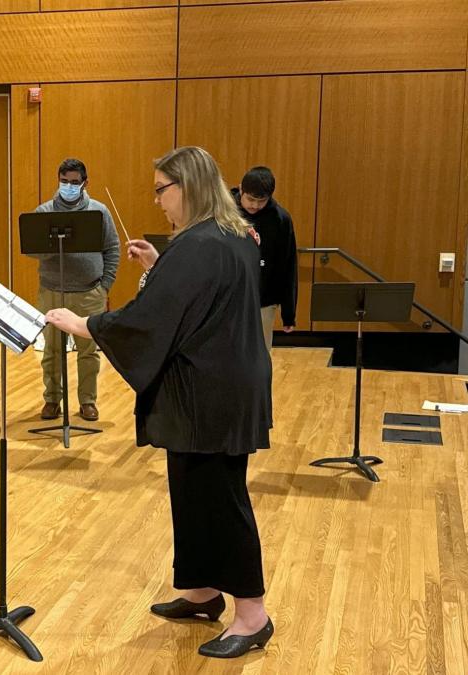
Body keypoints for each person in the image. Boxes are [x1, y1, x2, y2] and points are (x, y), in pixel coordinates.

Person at [46, 146, 274, 659]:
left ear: (187, 186)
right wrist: (159, 262)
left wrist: (86, 325)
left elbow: (155, 315)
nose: (157, 200)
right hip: (219, 381)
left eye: (160, 189)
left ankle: (253, 614)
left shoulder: (200, 244)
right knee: (191, 489)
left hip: (212, 390)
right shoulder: (228, 234)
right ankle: (202, 590)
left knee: (220, 498)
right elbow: (195, 294)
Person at [31, 158, 119, 422]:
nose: (69, 186)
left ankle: (88, 401)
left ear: (85, 183)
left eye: (74, 182)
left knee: (88, 350)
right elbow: (32, 251)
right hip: (52, 290)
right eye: (64, 181)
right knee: (52, 351)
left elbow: (112, 248)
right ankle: (52, 400)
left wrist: (105, 286)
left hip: (89, 291)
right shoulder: (44, 212)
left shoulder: (99, 211)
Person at [231, 166, 297, 351]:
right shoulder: (224, 212)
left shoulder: (280, 219)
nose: (254, 205)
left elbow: (288, 265)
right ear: (240, 189)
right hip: (228, 298)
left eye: (261, 201)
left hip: (264, 299)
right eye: (250, 199)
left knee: (259, 355)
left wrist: (289, 313)